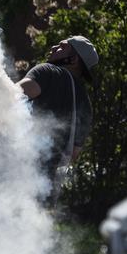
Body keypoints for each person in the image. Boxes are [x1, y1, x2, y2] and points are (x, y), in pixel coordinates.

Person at [19, 35, 99, 188]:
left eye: (62, 47)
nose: (54, 48)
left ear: (74, 60)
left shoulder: (47, 71)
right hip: (43, 184)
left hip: (14, 170)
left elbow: (13, 96)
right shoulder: (86, 104)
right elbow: (73, 155)